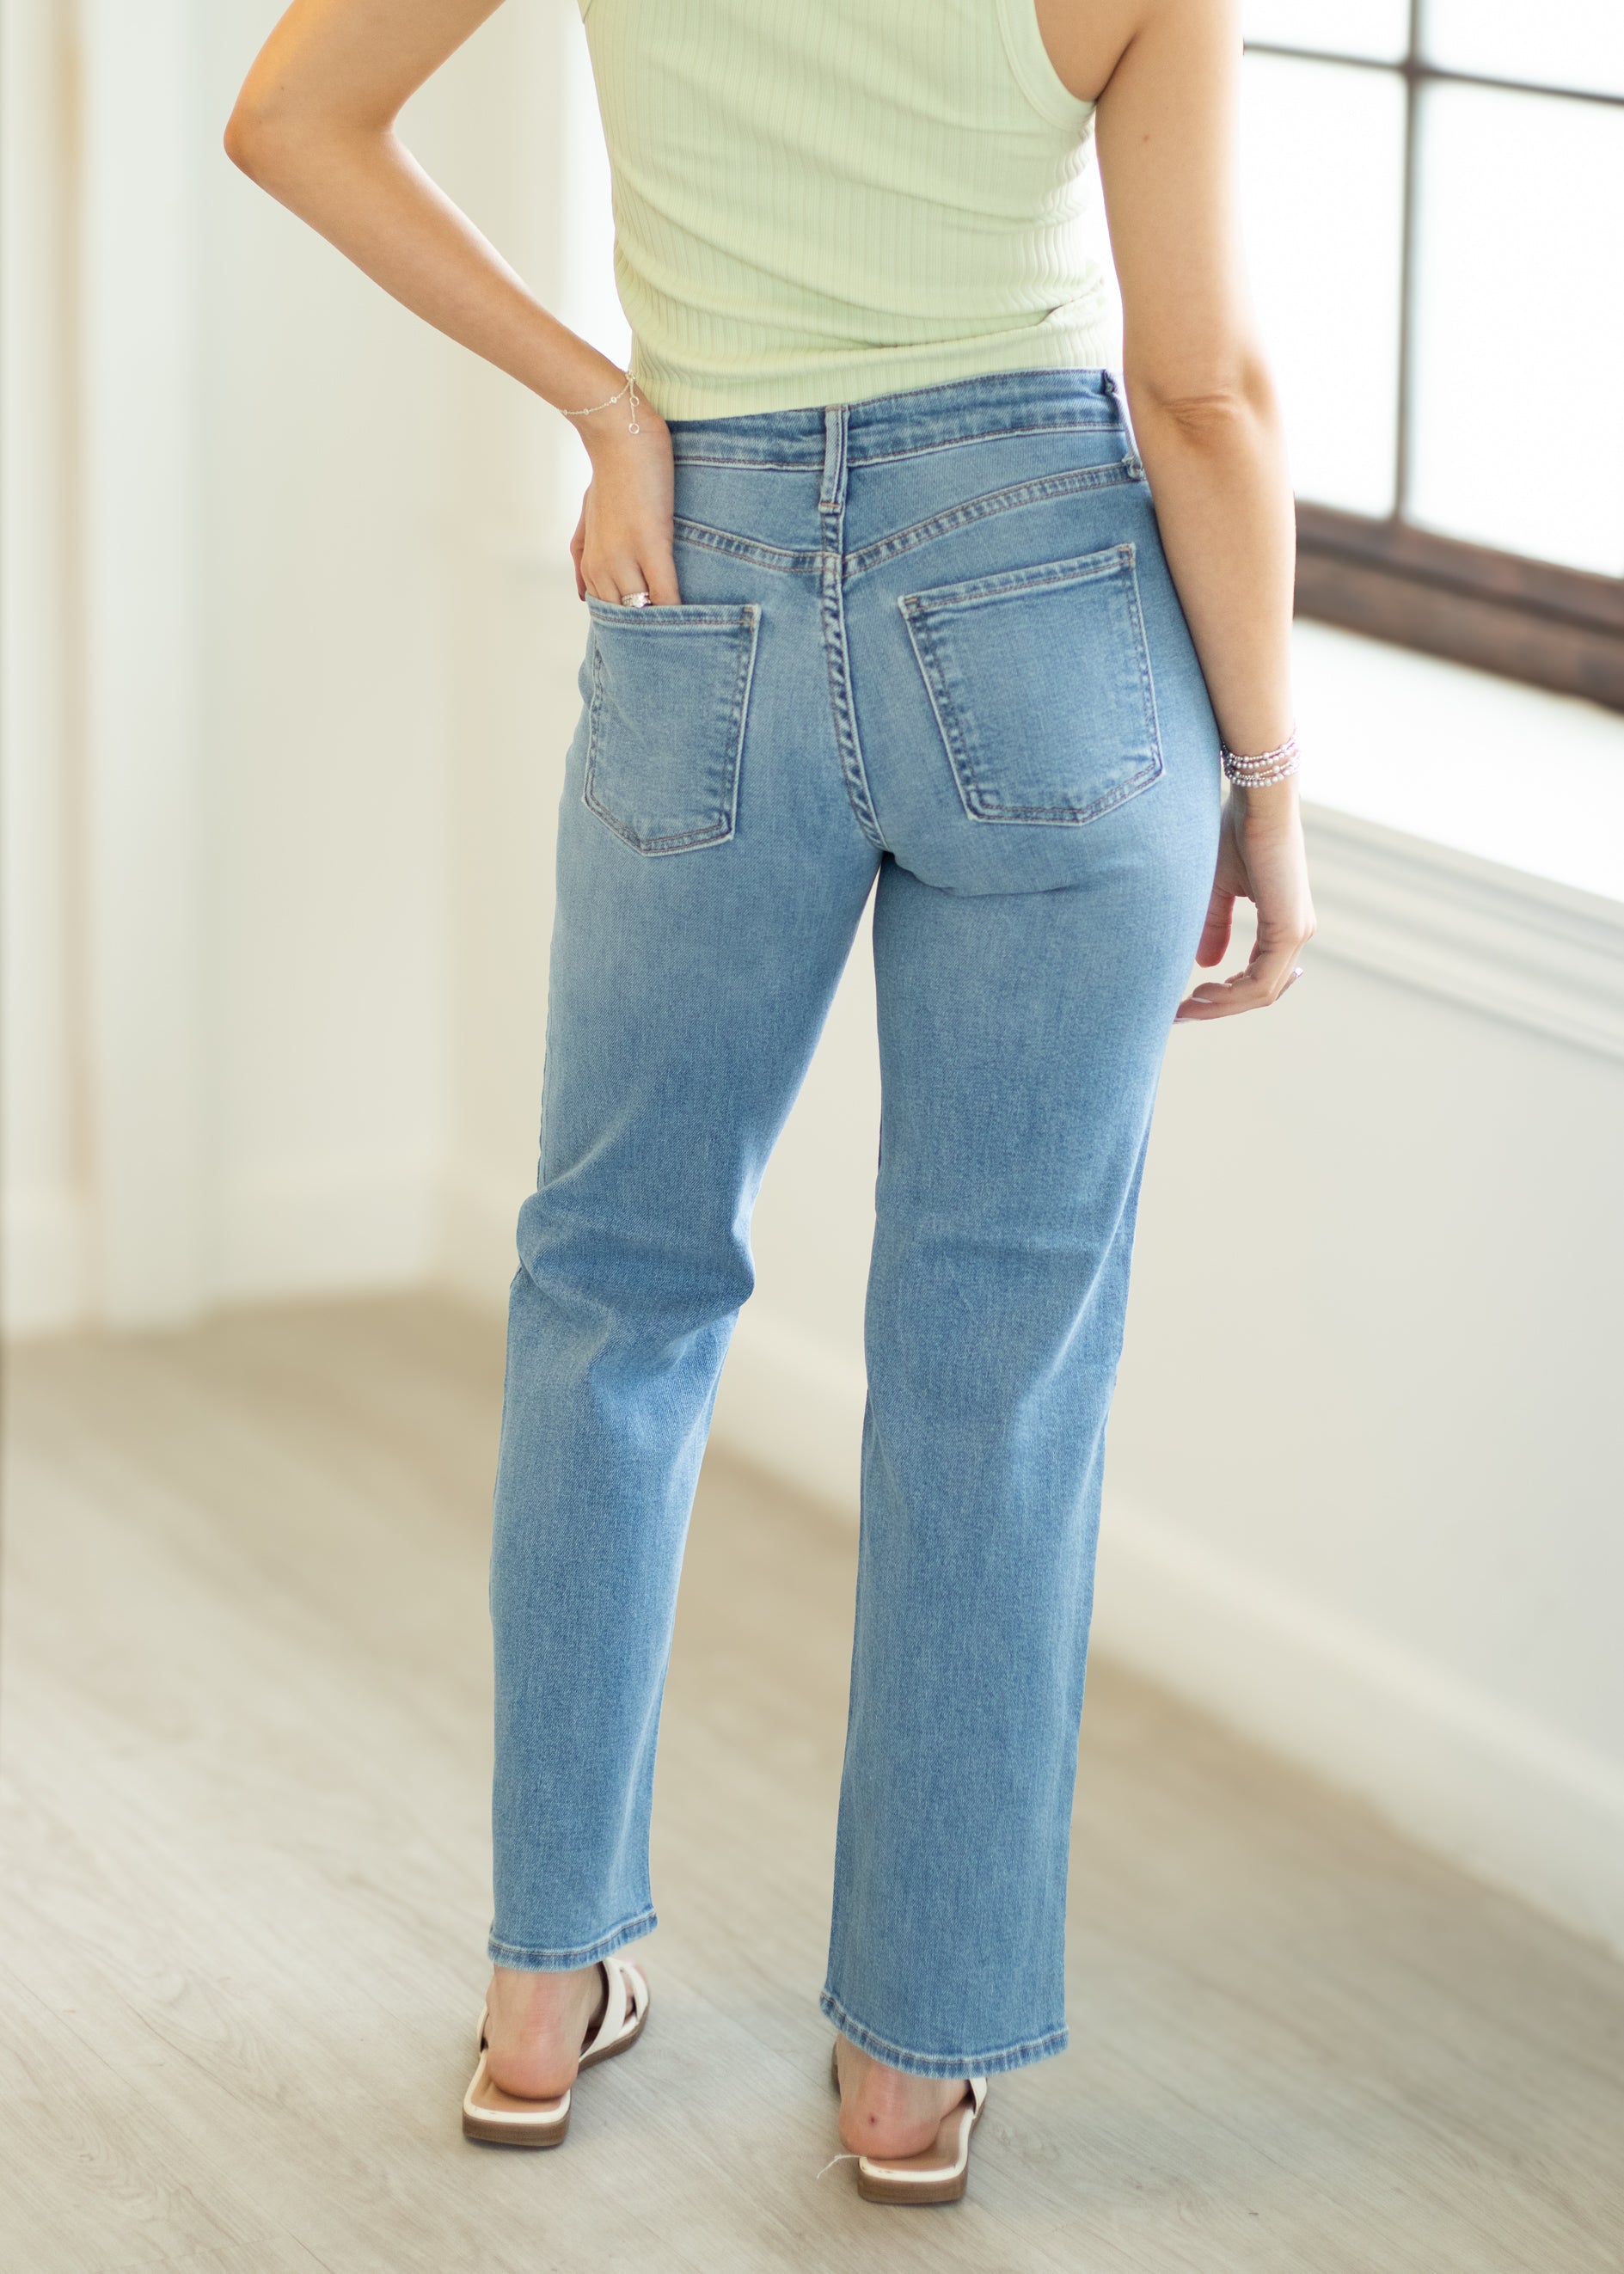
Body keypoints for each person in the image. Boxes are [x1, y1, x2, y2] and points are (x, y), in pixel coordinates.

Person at [227, 0, 1314, 2205]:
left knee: (611, 1288)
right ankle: (908, 2072)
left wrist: (606, 407)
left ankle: (546, 1991)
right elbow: (1203, 398)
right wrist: (1271, 789)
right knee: (995, 1358)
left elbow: (290, 118)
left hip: (696, 573)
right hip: (1050, 603)